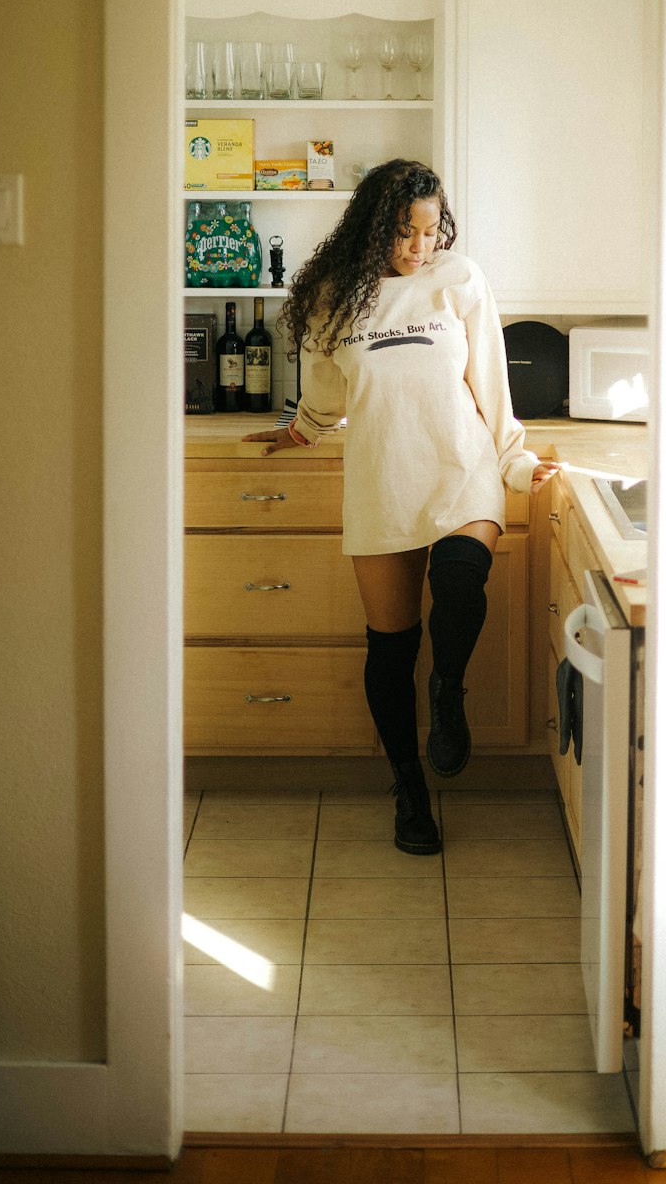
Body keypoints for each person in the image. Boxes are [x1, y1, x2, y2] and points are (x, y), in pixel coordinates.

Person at [243, 158, 559, 856]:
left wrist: (517, 460)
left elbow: (492, 384)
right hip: (384, 477)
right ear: (371, 228)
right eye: (405, 233)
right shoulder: (336, 296)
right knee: (390, 649)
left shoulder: (459, 281)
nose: (421, 248)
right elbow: (326, 391)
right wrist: (301, 429)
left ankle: (448, 692)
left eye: (429, 230)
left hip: (461, 468)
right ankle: (409, 791)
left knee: (459, 582)